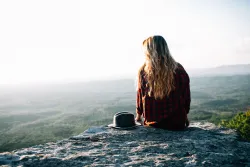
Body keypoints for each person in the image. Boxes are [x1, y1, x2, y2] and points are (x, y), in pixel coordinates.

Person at [135, 35, 191, 130]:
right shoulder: (178, 69)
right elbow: (185, 98)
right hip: (177, 123)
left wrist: (138, 117)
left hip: (152, 124)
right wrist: (185, 116)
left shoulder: (143, 71)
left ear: (149, 52)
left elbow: (140, 97)